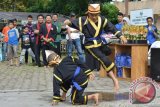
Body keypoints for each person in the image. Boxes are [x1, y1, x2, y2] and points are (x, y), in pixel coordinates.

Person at [68, 4, 127, 91]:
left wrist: (121, 36)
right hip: (90, 45)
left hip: (99, 44)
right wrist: (68, 22)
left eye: (96, 14)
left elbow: (112, 27)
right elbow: (72, 23)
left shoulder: (102, 19)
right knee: (105, 60)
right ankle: (115, 81)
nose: (95, 17)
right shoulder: (83, 20)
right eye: (92, 15)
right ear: (88, 13)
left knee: (86, 68)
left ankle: (72, 89)